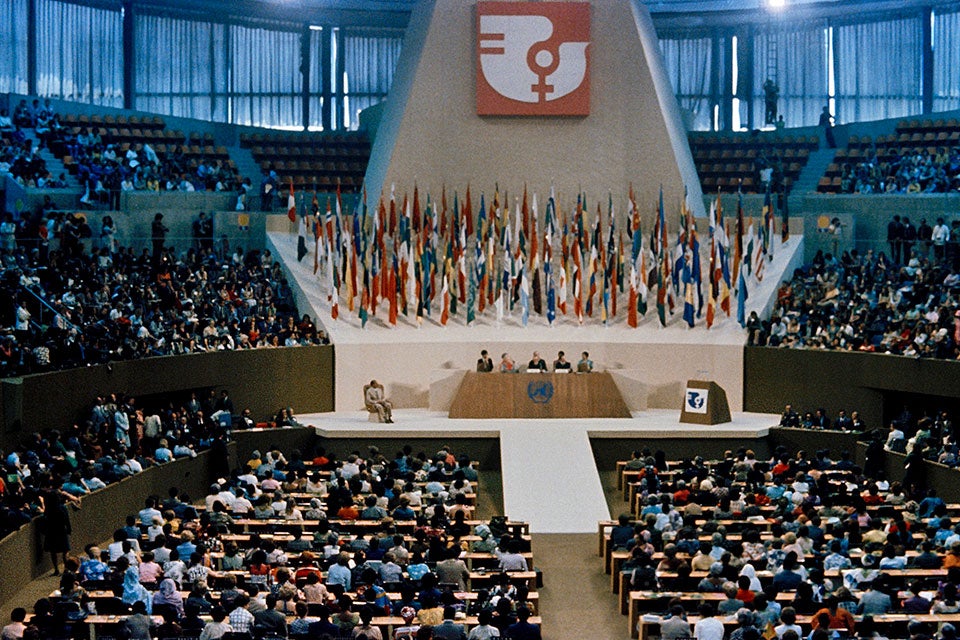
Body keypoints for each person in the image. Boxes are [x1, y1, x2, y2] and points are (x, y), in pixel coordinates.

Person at [40, 493, 72, 575]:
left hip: (51, 531)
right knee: (65, 551)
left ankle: (56, 570)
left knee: (53, 551)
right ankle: (66, 569)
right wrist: (69, 529)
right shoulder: (62, 507)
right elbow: (67, 519)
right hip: (61, 530)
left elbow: (45, 518)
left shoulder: (49, 508)